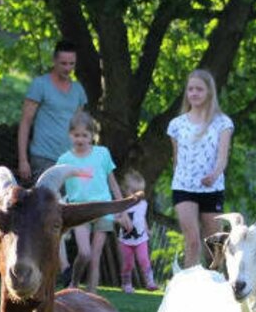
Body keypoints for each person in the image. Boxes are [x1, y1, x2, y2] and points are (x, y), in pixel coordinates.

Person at [167, 69, 234, 267]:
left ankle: (216, 284)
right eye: (190, 89)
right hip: (183, 187)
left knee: (214, 246)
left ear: (209, 93)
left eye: (199, 89)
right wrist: (180, 179)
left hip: (212, 189)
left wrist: (214, 175)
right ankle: (188, 289)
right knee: (193, 241)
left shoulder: (223, 123)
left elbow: (222, 158)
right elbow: (176, 158)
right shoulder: (177, 125)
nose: (194, 93)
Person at [56, 110, 120, 292]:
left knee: (95, 257)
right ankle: (74, 283)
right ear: (70, 135)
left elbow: (112, 182)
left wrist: (121, 206)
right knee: (84, 253)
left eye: (85, 135)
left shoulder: (102, 154)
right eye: (76, 135)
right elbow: (56, 185)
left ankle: (92, 297)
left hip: (103, 208)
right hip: (79, 210)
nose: (80, 139)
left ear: (92, 135)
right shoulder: (64, 159)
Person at [17, 39, 89, 183]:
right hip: (44, 158)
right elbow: (25, 122)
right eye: (63, 63)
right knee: (46, 205)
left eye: (71, 64)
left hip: (71, 159)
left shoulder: (78, 90)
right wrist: (23, 160)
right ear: (54, 60)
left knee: (71, 204)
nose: (68, 68)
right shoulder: (40, 84)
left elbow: (80, 128)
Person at [116, 169, 157, 293]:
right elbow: (116, 218)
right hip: (125, 240)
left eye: (139, 192)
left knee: (143, 259)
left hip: (141, 239)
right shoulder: (122, 205)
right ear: (125, 190)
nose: (136, 195)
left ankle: (150, 282)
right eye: (133, 192)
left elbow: (141, 218)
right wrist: (121, 221)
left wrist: (147, 229)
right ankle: (126, 284)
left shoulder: (143, 204)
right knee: (128, 263)